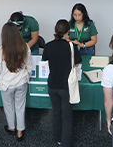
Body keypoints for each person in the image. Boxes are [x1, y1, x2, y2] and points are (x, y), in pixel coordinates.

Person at [42, 19, 82, 147]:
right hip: (66, 87)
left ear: (55, 31)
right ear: (67, 32)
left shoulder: (48, 46)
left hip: (52, 84)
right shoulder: (72, 46)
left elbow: (46, 60)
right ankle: (66, 143)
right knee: (67, 115)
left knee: (56, 112)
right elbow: (77, 63)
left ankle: (57, 138)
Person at [0, 22, 32, 142]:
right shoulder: (25, 46)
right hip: (21, 82)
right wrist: (27, 77)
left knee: (8, 106)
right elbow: (29, 66)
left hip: (6, 85)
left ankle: (12, 127)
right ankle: (20, 131)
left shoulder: (0, 50)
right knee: (20, 107)